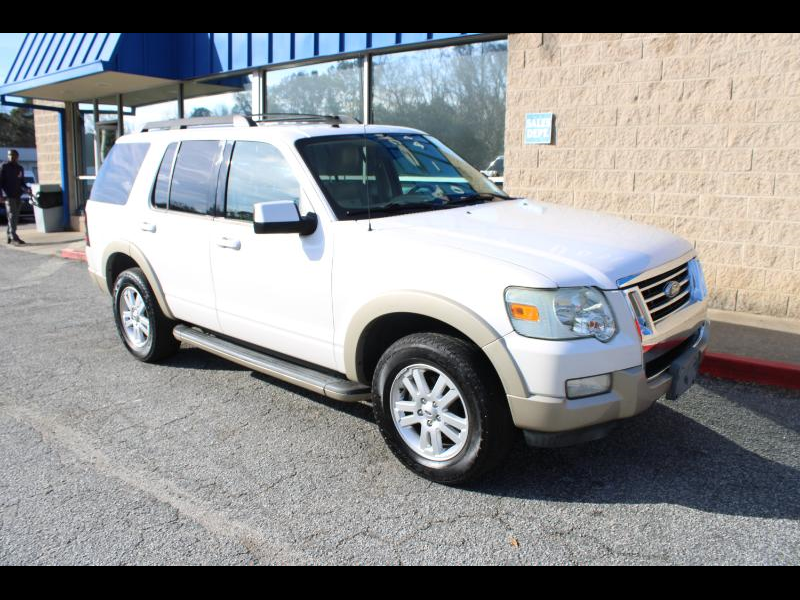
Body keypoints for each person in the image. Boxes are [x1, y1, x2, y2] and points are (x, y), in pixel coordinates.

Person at [1, 150, 31, 245]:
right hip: (8, 195)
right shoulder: (4, 166)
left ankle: (9, 235)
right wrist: (0, 195)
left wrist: (27, 189)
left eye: (13, 155)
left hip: (18, 195)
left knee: (15, 216)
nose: (11, 157)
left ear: (17, 157)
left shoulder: (20, 168)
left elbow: (22, 183)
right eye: (9, 155)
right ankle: (13, 236)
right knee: (12, 215)